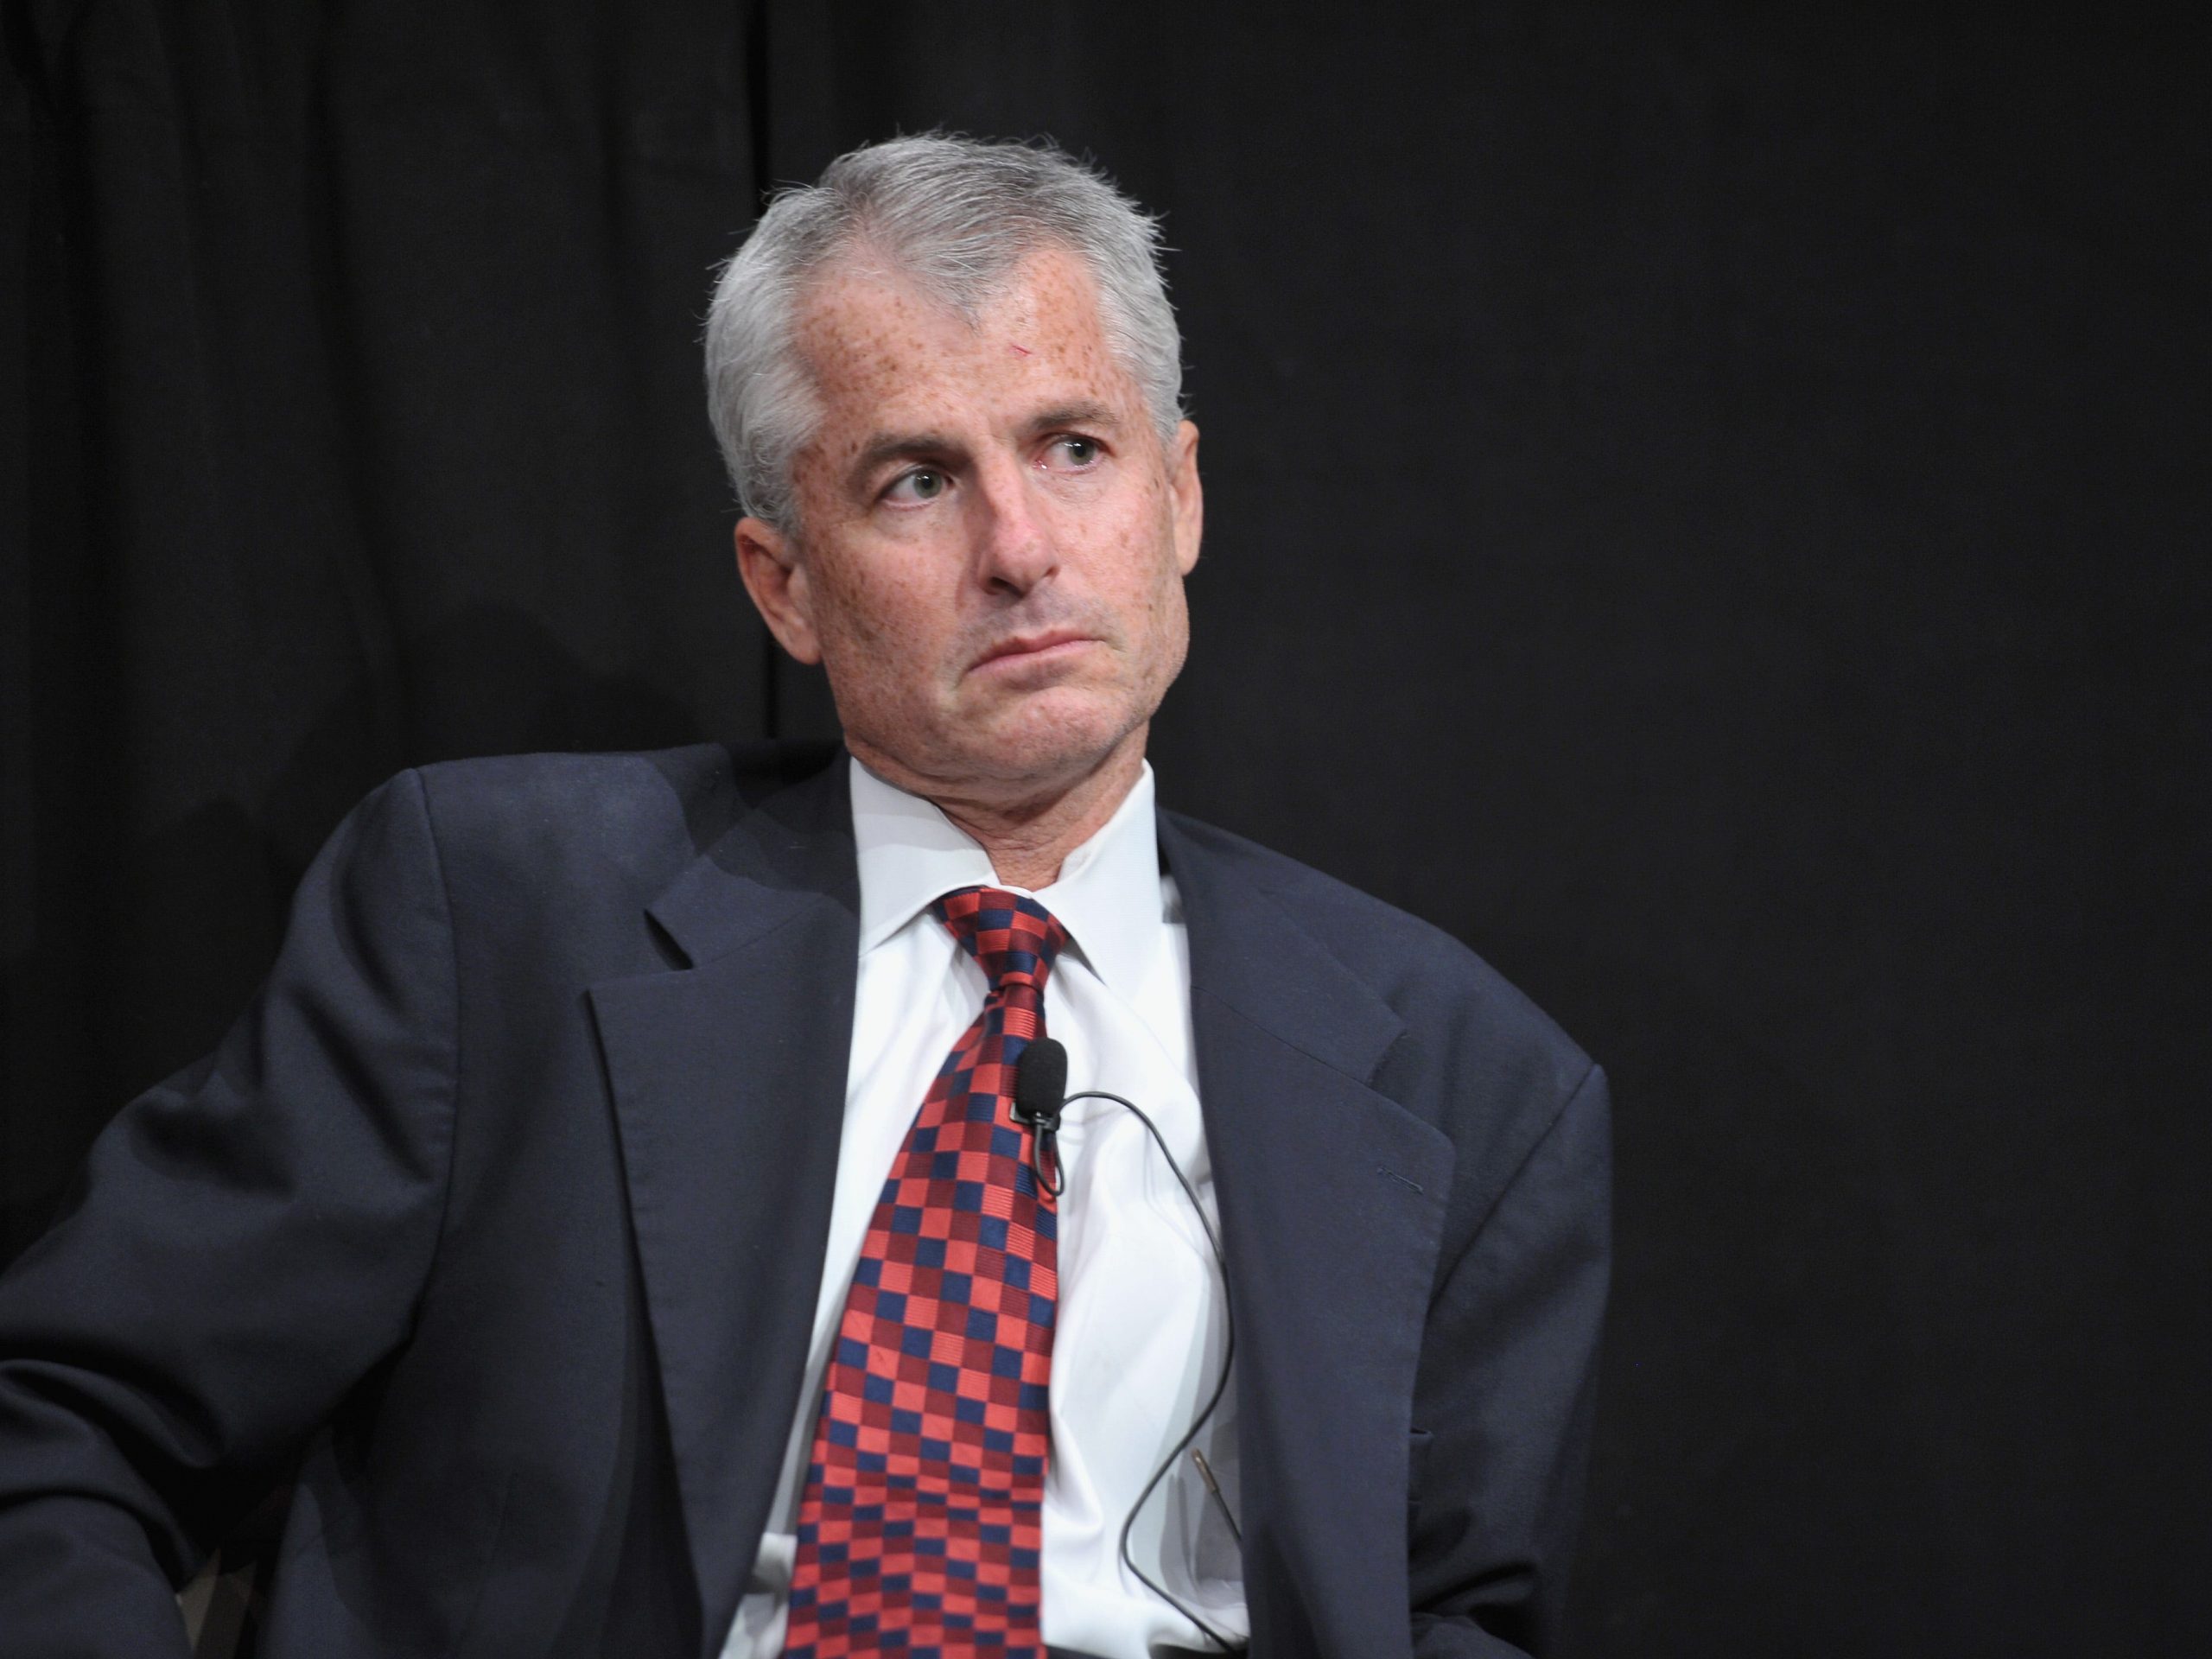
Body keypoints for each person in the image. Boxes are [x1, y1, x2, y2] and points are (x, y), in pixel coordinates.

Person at [0, 136, 1610, 1659]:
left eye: (1073, 447)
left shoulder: (1471, 1084)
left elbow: (1458, 1612)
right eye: (918, 480)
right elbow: (66, 1415)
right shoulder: (496, 919)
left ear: (1179, 498)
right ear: (786, 584)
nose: (1022, 547)